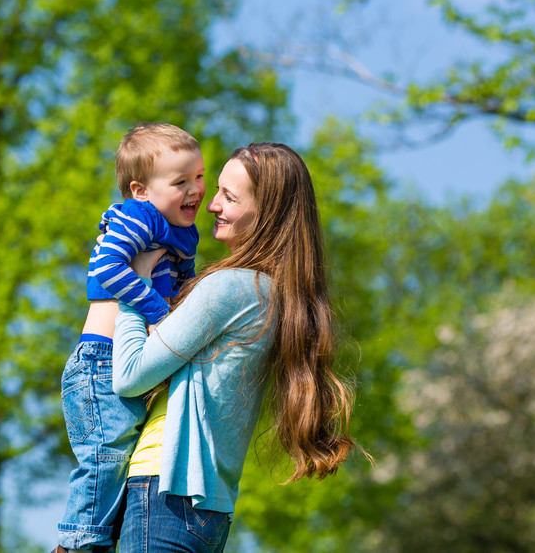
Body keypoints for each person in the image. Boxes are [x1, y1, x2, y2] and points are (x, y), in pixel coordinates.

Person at [112, 142, 361, 553]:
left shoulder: (230, 287)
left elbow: (130, 376)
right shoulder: (274, 295)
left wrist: (131, 288)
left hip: (167, 491)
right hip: (207, 509)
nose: (211, 205)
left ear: (269, 216)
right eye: (217, 191)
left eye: (229, 197)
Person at [56, 123, 206, 553]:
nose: (196, 189)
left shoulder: (182, 231)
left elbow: (183, 289)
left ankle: (96, 542)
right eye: (180, 181)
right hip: (101, 362)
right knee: (104, 459)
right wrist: (160, 315)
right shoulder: (138, 216)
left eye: (198, 176)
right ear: (140, 190)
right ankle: (74, 544)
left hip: (128, 362)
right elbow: (107, 268)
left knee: (119, 466)